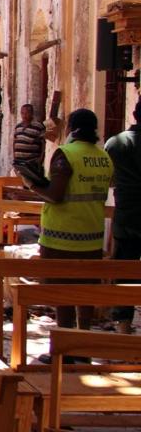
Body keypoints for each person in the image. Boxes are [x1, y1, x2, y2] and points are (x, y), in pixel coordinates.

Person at [19, 109, 112, 339]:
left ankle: (66, 344)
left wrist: (32, 184)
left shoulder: (65, 154)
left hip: (62, 236)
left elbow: (56, 195)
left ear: (71, 128)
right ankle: (83, 340)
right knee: (85, 291)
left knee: (62, 293)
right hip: (91, 236)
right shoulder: (104, 157)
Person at [106, 101, 141, 334]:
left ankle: (123, 325)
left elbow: (108, 179)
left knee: (125, 267)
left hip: (127, 213)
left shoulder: (116, 143)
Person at [13, 103, 46, 174]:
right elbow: (15, 142)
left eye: (27, 113)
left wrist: (40, 159)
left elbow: (43, 144)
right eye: (22, 113)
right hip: (19, 163)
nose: (24, 115)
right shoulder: (18, 127)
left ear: (31, 113)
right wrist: (15, 159)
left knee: (32, 183)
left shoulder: (38, 126)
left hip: (32, 163)